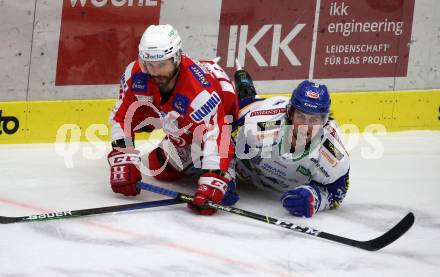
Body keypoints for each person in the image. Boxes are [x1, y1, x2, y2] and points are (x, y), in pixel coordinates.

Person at [107, 24, 239, 215]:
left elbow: (217, 133)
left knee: (219, 183)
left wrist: (213, 177)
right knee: (158, 168)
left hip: (223, 112)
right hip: (182, 123)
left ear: (177, 57)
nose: (155, 72)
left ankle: (230, 164)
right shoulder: (136, 74)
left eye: (162, 65)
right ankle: (197, 157)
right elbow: (121, 117)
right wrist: (122, 156)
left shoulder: (200, 93)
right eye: (149, 64)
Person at [232, 68, 350, 218]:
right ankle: (245, 88)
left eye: (314, 120)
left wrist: (315, 198)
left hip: (258, 176)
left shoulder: (332, 153)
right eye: (301, 117)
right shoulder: (260, 125)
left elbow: (338, 191)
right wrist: (224, 176)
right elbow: (225, 142)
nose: (305, 127)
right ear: (290, 113)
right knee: (240, 102)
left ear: (324, 122)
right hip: (254, 111)